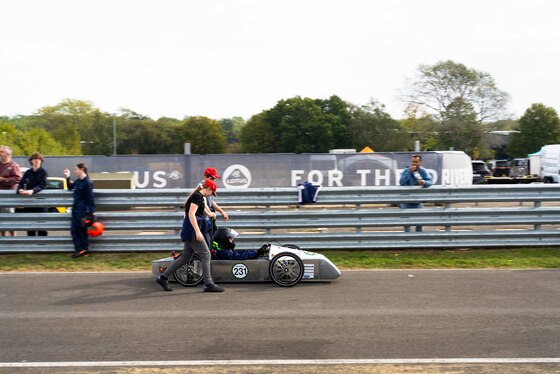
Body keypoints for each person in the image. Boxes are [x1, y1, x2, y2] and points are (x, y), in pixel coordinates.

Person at [156, 179, 224, 292]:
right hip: (192, 230)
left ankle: (163, 277)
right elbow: (191, 214)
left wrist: (210, 213)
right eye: (212, 192)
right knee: (206, 254)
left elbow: (200, 210)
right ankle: (208, 283)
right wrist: (197, 231)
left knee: (185, 257)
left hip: (190, 229)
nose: (211, 195)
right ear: (208, 189)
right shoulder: (197, 196)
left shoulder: (200, 197)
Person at [186, 167, 229, 240]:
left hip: (207, 218)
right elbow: (203, 203)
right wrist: (209, 213)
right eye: (212, 178)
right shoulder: (203, 187)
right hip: (202, 218)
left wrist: (221, 211)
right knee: (204, 243)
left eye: (214, 179)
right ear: (205, 177)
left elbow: (211, 201)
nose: (214, 181)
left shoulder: (210, 187)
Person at [64, 163, 95, 258]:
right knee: (74, 230)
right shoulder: (78, 181)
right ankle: (80, 249)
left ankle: (84, 250)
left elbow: (90, 198)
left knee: (81, 231)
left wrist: (91, 212)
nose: (75, 171)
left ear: (82, 169)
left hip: (83, 211)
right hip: (75, 209)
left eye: (76, 169)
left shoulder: (87, 182)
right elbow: (70, 186)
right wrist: (67, 177)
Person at [16, 152, 48, 236]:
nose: (37, 161)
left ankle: (42, 247)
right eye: (35, 159)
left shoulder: (43, 172)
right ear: (31, 161)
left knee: (42, 228)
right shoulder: (28, 172)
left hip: (41, 204)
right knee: (30, 228)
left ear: (41, 161)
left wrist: (32, 191)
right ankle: (31, 247)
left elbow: (43, 185)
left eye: (39, 159)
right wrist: (20, 189)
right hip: (29, 203)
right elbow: (21, 183)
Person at [399, 154, 433, 232]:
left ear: (420, 162)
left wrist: (424, 182)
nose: (414, 163)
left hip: (418, 201)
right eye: (413, 162)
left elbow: (430, 181)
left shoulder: (422, 171)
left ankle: (419, 240)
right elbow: (401, 182)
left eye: (416, 162)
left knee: (420, 223)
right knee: (406, 224)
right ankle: (408, 240)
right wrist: (408, 173)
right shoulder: (406, 170)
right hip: (406, 201)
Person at [0, 145, 22, 236]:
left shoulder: (14, 165)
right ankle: (3, 241)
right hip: (0, 195)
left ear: (8, 154)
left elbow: (18, 179)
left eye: (1, 152)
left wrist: (3, 180)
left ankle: (14, 241)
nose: (0, 153)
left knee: (9, 219)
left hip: (9, 196)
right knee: (1, 220)